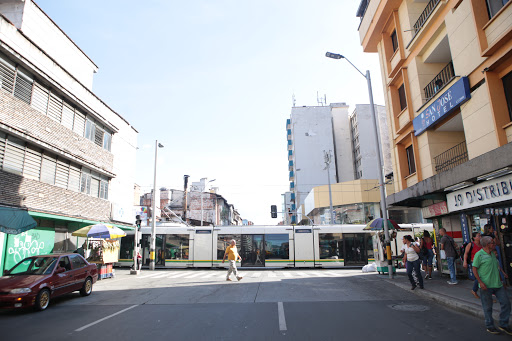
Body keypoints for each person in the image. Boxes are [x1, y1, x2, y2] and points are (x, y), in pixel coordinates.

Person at [473, 236, 511, 335]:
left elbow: (496, 267)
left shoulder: (493, 254)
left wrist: (502, 279)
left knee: (506, 303)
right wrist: (480, 282)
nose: (494, 244)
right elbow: (474, 269)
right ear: (487, 244)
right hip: (486, 285)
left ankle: (503, 323)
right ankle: (490, 326)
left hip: (498, 285)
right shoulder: (479, 255)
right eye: (492, 243)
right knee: (488, 307)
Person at [463, 232, 483, 299]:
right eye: (478, 236)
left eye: (480, 236)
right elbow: (466, 253)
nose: (480, 237)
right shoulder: (471, 244)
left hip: (483, 263)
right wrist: (465, 262)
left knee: (483, 277)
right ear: (474, 238)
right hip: (474, 263)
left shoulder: (482, 244)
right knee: (479, 277)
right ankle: (474, 290)